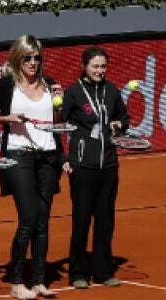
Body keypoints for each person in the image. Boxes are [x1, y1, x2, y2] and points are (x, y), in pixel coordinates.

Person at [0, 35, 64, 300]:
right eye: (28, 57)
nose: (33, 63)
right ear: (18, 58)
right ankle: (17, 282)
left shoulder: (49, 84)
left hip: (47, 157)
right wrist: (8, 117)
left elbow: (57, 122)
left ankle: (38, 280)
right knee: (28, 219)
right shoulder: (7, 85)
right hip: (18, 156)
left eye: (37, 58)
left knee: (43, 221)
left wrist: (60, 104)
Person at [64, 46, 131, 290]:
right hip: (83, 166)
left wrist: (119, 124)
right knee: (81, 219)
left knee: (105, 220)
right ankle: (78, 272)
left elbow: (125, 119)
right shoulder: (73, 93)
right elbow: (57, 126)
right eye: (95, 66)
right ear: (85, 66)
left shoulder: (112, 91)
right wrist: (65, 157)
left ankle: (103, 271)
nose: (100, 71)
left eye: (103, 66)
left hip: (109, 165)